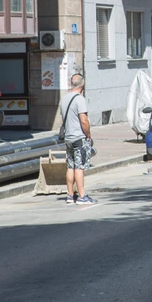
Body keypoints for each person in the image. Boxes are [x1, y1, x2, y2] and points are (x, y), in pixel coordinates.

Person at [60, 74, 97, 205]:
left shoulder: (64, 99)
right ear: (82, 84)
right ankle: (82, 196)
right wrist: (88, 134)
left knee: (70, 166)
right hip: (79, 137)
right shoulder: (79, 99)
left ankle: (70, 195)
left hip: (68, 138)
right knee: (79, 167)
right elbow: (83, 120)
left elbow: (64, 118)